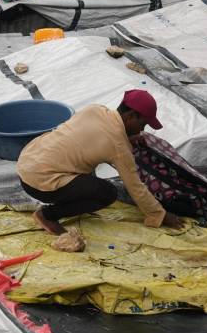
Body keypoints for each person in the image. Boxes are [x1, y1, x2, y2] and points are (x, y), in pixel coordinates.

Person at [17, 89, 184, 235]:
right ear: (131, 116)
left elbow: (94, 139)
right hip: (40, 184)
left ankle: (67, 202)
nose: (143, 130)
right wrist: (159, 214)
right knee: (107, 193)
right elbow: (135, 187)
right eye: (143, 124)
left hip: (27, 164)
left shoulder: (94, 109)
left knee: (81, 165)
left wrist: (129, 139)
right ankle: (47, 215)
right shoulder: (118, 146)